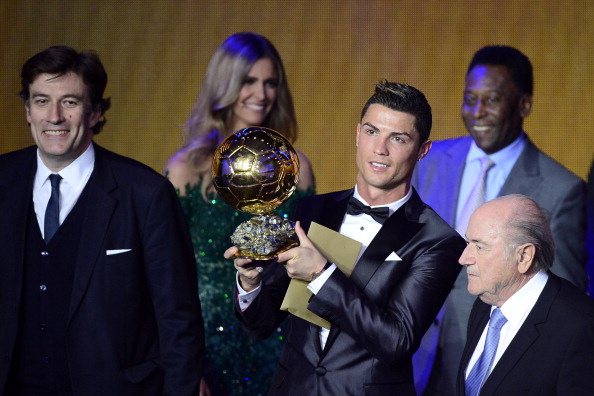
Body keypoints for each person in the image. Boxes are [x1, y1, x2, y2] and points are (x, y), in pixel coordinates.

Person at [225, 81, 466, 395]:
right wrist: (249, 281)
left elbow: (396, 342)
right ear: (357, 134)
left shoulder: (438, 240)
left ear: (422, 150)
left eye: (398, 138)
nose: (380, 149)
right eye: (371, 132)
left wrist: (320, 275)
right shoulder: (313, 209)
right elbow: (260, 324)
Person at [0, 46, 205, 396]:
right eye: (41, 101)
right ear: (27, 111)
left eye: (69, 102)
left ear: (95, 112)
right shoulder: (3, 179)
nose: (54, 117)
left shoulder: (145, 193)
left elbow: (178, 321)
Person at [412, 45, 588, 396]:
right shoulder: (430, 162)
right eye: (470, 98)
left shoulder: (562, 189)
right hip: (417, 354)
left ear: (523, 104)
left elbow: (561, 302)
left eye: (491, 100)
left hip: (497, 362)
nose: (478, 112)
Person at [165, 32, 315, 395]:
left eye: (270, 83)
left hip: (276, 338)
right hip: (206, 344)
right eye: (248, 81)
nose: (261, 94)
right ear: (225, 84)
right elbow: (167, 274)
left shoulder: (296, 168)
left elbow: (308, 262)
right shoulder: (186, 170)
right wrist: (184, 364)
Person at [456, 194, 594, 396]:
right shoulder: (486, 302)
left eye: (479, 246)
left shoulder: (580, 327)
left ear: (524, 256)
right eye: (467, 243)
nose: (463, 258)